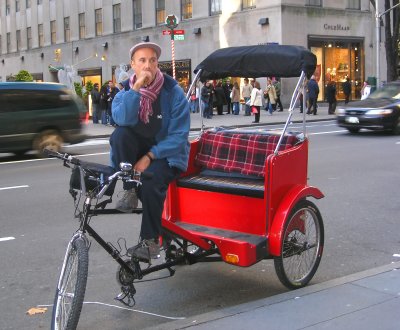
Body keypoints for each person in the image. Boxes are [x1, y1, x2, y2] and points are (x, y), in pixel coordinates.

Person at [110, 42, 190, 262]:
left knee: (151, 182)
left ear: (157, 64)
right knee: (119, 135)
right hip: (137, 150)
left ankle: (151, 241)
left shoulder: (172, 91)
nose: (148, 65)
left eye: (152, 61)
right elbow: (122, 120)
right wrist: (135, 91)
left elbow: (179, 135)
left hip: (167, 154)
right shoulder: (125, 90)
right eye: (142, 61)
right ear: (133, 65)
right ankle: (129, 190)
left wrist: (150, 156)